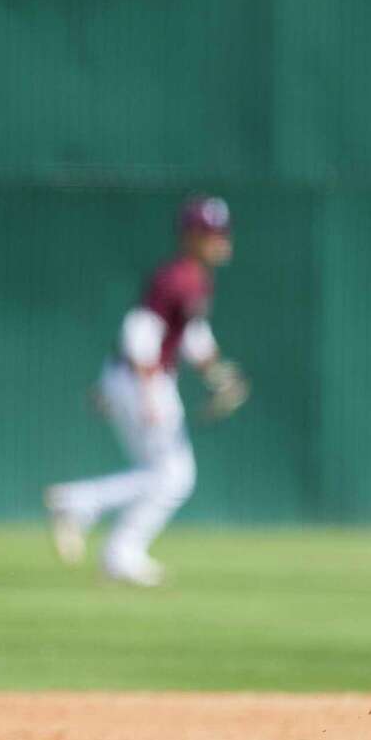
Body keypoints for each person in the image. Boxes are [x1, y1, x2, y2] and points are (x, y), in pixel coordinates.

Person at [44, 196, 247, 587]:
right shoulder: (178, 277)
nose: (221, 239)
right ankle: (83, 509)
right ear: (191, 236)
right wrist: (149, 392)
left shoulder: (193, 277)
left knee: (169, 476)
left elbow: (191, 338)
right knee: (173, 476)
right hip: (144, 379)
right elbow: (140, 331)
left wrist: (218, 374)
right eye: (211, 232)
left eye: (222, 231)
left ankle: (116, 548)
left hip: (138, 378)